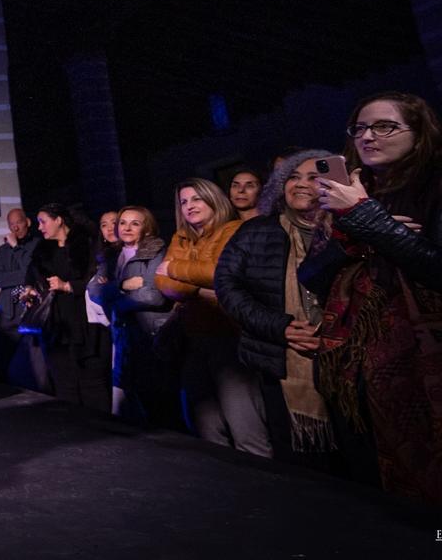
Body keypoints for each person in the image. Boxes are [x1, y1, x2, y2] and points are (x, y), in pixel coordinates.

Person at [300, 92, 442, 503]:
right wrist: (350, 237)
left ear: (420, 133)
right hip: (355, 356)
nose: (368, 136)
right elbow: (310, 275)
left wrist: (365, 215)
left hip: (424, 356)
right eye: (360, 128)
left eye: (384, 126)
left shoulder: (434, 185)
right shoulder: (348, 194)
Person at [215, 150, 338, 469]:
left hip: (342, 364)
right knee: (295, 463)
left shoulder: (348, 231)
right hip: (280, 360)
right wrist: (278, 326)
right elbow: (227, 285)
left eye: (314, 177)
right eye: (292, 177)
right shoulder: (257, 231)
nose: (300, 184)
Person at [156, 178, 270, 456]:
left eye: (197, 199)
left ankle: (268, 491)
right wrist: (199, 287)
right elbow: (162, 284)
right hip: (193, 340)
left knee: (246, 429)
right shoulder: (180, 237)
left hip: (230, 340)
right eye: (184, 202)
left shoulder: (234, 230)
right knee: (208, 430)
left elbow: (217, 274)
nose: (189, 206)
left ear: (213, 199)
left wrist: (175, 269)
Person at [87, 206, 171, 423]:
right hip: (124, 335)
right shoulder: (111, 256)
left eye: (135, 223)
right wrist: (124, 285)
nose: (127, 228)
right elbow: (95, 292)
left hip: (151, 334)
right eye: (123, 222)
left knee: (157, 401)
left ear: (147, 228)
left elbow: (154, 296)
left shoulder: (155, 252)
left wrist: (115, 300)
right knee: (130, 399)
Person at [22, 204, 110, 411]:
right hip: (56, 323)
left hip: (85, 320)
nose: (40, 227)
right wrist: (29, 291)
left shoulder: (86, 244)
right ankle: (73, 428)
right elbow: (30, 278)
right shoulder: (42, 250)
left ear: (59, 220)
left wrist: (68, 286)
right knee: (63, 381)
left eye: (43, 221)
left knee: (91, 380)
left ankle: (101, 429)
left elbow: (98, 278)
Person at [0, 208, 48, 391]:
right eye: (11, 224)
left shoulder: (39, 245)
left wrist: (16, 248)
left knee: (37, 365)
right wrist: (23, 274)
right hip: (8, 312)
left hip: (31, 311)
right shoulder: (1, 251)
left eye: (19, 222)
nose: (15, 227)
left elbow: (34, 272)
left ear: (27, 222)